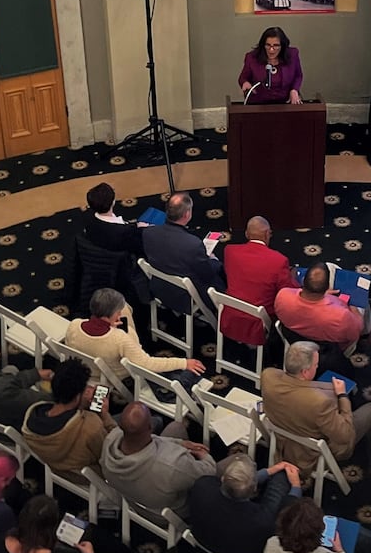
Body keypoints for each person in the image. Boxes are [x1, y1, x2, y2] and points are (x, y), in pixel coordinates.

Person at [259, 341, 371, 482]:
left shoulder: (268, 376)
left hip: (282, 442)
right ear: (305, 372)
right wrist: (342, 396)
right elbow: (345, 436)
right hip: (310, 454)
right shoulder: (319, 403)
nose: (317, 366)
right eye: (315, 365)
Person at [185, 453, 301, 553]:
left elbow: (229, 484)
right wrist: (295, 485)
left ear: (222, 479)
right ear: (254, 490)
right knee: (282, 479)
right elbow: (285, 507)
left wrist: (270, 471)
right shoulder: (262, 521)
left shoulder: (202, 487)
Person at [61, 287, 205, 390]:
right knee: (128, 319)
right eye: (117, 313)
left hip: (85, 367)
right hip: (111, 376)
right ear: (109, 315)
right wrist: (184, 363)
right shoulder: (120, 338)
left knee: (126, 309)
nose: (119, 315)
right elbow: (147, 364)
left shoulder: (74, 325)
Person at [100, 402, 216, 517]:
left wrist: (180, 443)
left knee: (176, 427)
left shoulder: (110, 440)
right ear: (150, 427)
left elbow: (149, 439)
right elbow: (209, 472)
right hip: (169, 513)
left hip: (137, 502)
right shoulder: (172, 464)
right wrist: (204, 455)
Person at [22, 358, 118, 481]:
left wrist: (81, 406)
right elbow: (111, 454)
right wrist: (105, 416)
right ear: (78, 395)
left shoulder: (32, 416)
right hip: (88, 477)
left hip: (57, 467)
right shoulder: (91, 426)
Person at [140, 193, 225, 316]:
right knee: (219, 273)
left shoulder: (148, 233)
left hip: (159, 287)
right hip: (184, 296)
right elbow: (207, 275)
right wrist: (213, 260)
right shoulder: (193, 244)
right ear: (187, 214)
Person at [220, 216, 297, 347]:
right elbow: (287, 291)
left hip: (231, 315)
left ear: (246, 234)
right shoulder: (279, 261)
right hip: (257, 322)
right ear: (268, 234)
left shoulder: (229, 251)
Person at [238, 26, 303, 105]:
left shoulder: (292, 55)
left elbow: (298, 75)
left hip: (286, 101)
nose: (271, 50)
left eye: (275, 45)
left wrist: (294, 90)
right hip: (259, 104)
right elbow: (243, 78)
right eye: (268, 45)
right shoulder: (252, 58)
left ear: (282, 46)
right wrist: (245, 83)